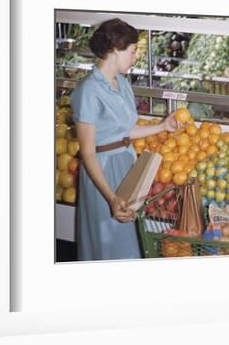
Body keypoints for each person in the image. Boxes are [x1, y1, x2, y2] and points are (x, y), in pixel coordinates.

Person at [71, 18, 179, 261]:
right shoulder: (88, 91)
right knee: (107, 244)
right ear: (115, 51)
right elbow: (88, 153)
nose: (134, 57)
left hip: (126, 166)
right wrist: (111, 197)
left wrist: (163, 126)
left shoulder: (121, 83)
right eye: (131, 52)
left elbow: (126, 132)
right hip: (103, 173)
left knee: (130, 242)